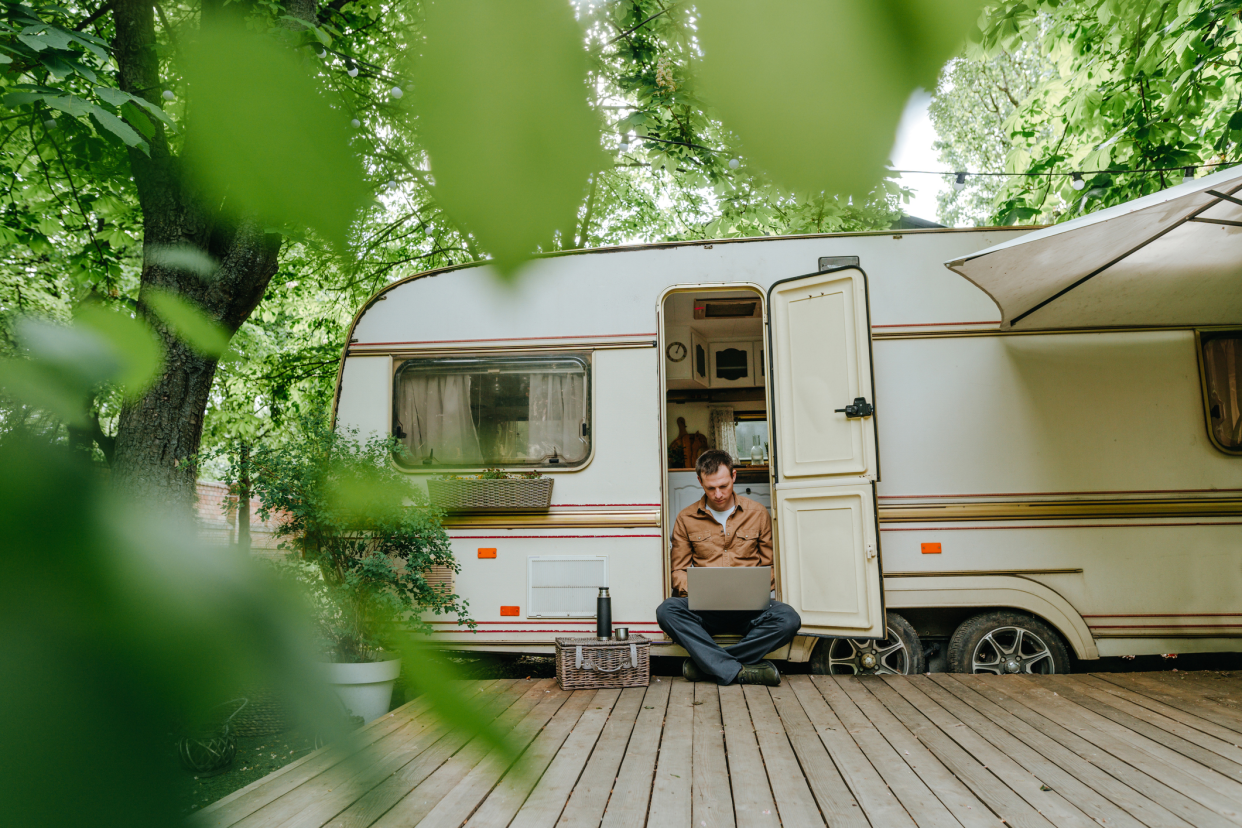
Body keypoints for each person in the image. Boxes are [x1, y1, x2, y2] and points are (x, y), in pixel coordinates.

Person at [656, 449, 801, 686]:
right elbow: (678, 572)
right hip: (705, 610)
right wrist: (699, 591)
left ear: (734, 476)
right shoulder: (685, 518)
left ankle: (708, 665)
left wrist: (758, 587)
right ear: (699, 481)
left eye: (723, 486)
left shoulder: (758, 514)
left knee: (789, 618)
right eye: (710, 488)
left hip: (750, 609)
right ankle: (736, 667)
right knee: (667, 610)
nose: (718, 494)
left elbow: (770, 566)